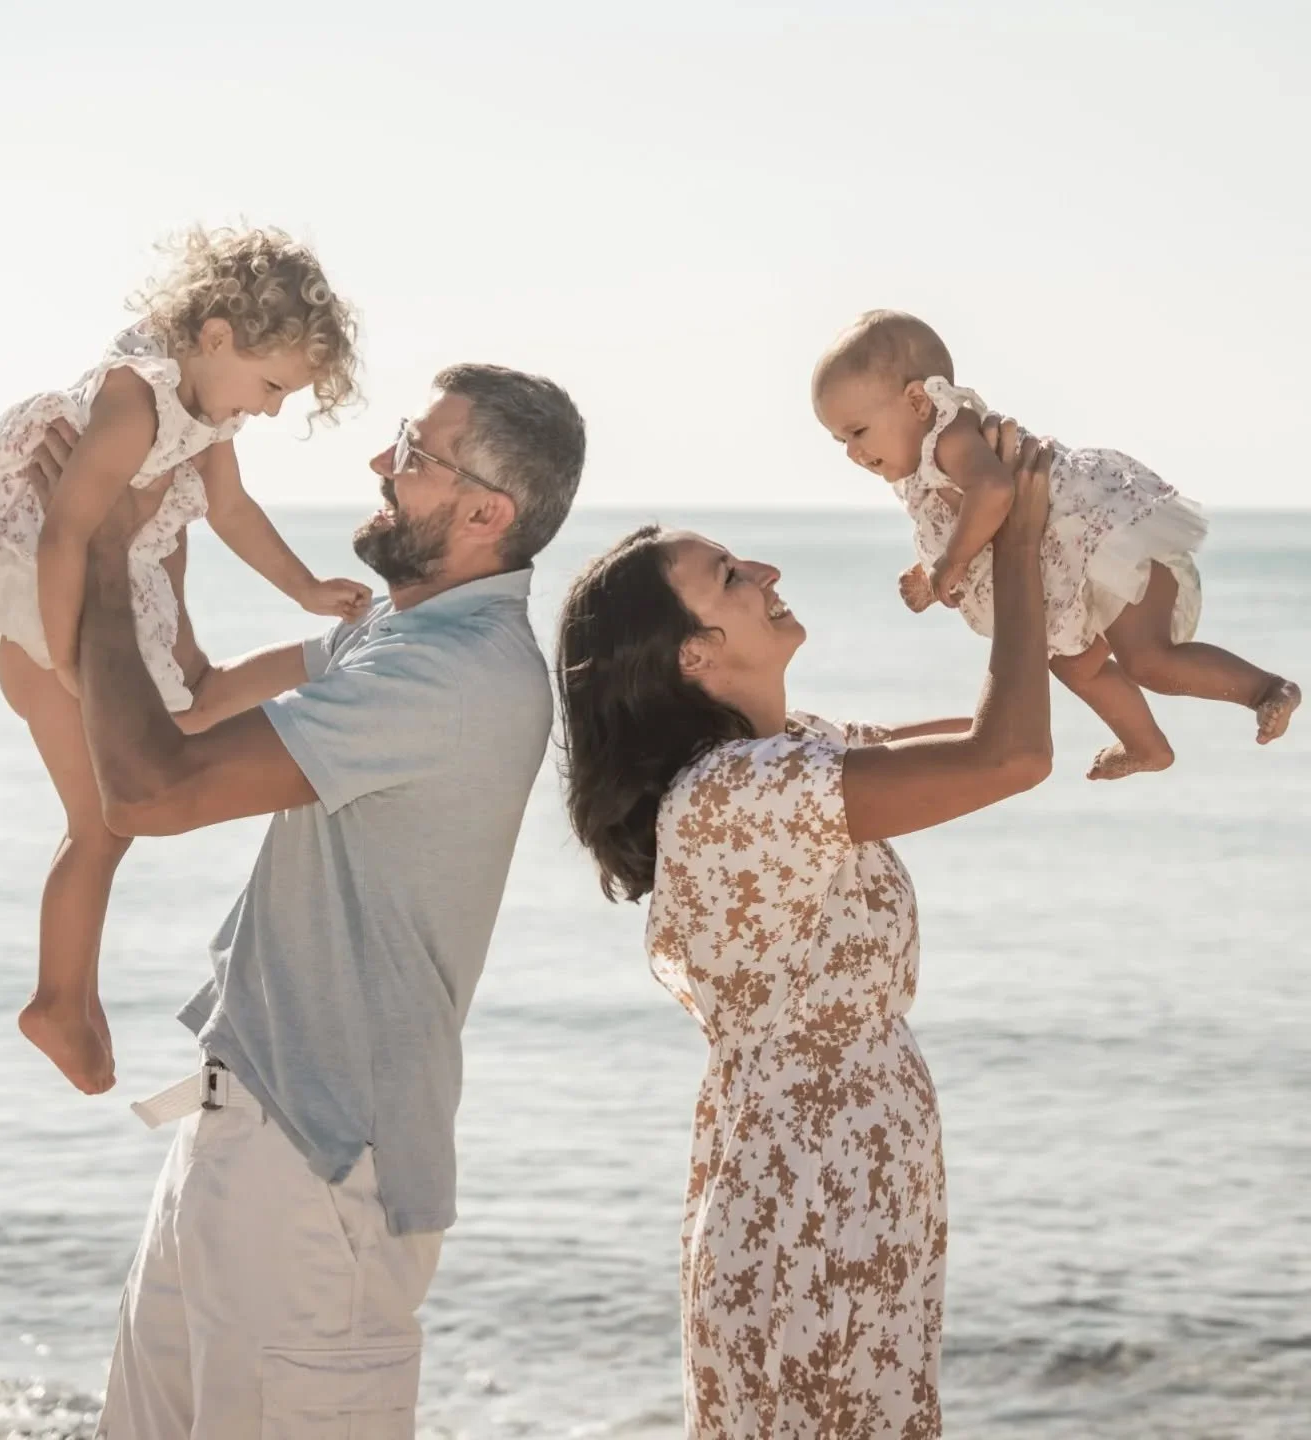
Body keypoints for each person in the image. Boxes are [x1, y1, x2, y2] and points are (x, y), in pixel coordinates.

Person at [28, 362, 584, 1439]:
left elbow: (153, 789)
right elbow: (188, 708)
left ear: (485, 512)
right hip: (243, 1131)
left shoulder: (454, 677)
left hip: (322, 1174)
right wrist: (149, 549)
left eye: (416, 455)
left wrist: (99, 551)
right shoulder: (395, 635)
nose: (383, 463)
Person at [556, 419, 1053, 1438]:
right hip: (816, 1183)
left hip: (844, 1160)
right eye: (731, 574)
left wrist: (1024, 563)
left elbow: (985, 733)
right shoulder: (743, 790)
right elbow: (1011, 759)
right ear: (698, 653)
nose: (768, 570)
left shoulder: (794, 749)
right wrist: (1013, 537)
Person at [0, 226, 370, 1094]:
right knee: (105, 822)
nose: (268, 409)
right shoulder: (139, 400)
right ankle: (58, 1001)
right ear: (219, 336)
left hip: (105, 602)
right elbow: (63, 535)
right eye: (271, 386)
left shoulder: (203, 409)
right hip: (51, 615)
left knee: (191, 711)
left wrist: (305, 588)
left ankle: (331, 651)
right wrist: (73, 663)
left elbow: (231, 512)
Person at [812, 309, 1299, 780]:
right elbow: (971, 521)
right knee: (1071, 663)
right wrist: (930, 569)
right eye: (839, 442)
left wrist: (949, 564)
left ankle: (1265, 689)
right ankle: (1146, 745)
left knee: (1147, 660)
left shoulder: (948, 433)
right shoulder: (928, 464)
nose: (854, 453)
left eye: (858, 431)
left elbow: (995, 494)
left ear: (918, 401)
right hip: (1075, 572)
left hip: (1105, 546)